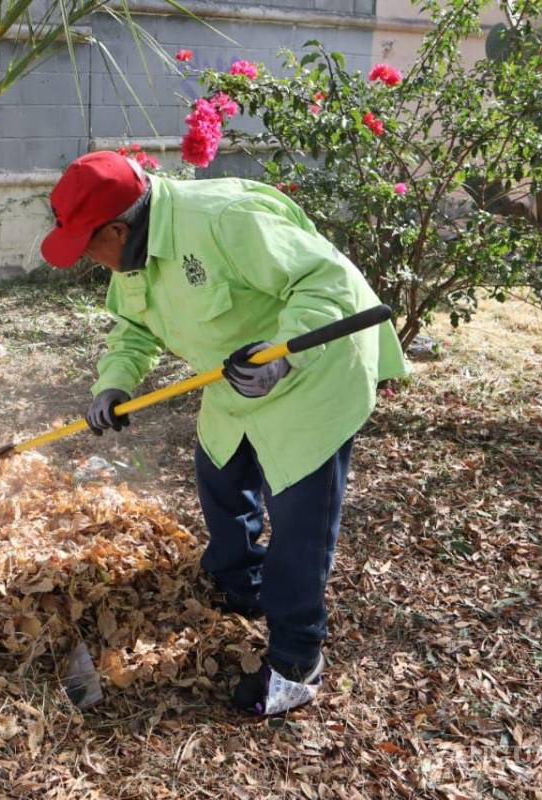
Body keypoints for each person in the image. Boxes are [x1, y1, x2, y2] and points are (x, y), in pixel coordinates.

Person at [40, 150, 409, 715]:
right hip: (234, 381)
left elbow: (327, 278)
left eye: (88, 245)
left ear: (118, 229)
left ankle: (297, 661)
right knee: (219, 478)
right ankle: (241, 584)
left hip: (311, 371)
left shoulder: (224, 220)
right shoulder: (132, 255)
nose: (86, 258)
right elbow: (133, 327)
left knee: (299, 528)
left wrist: (283, 355)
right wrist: (113, 384)